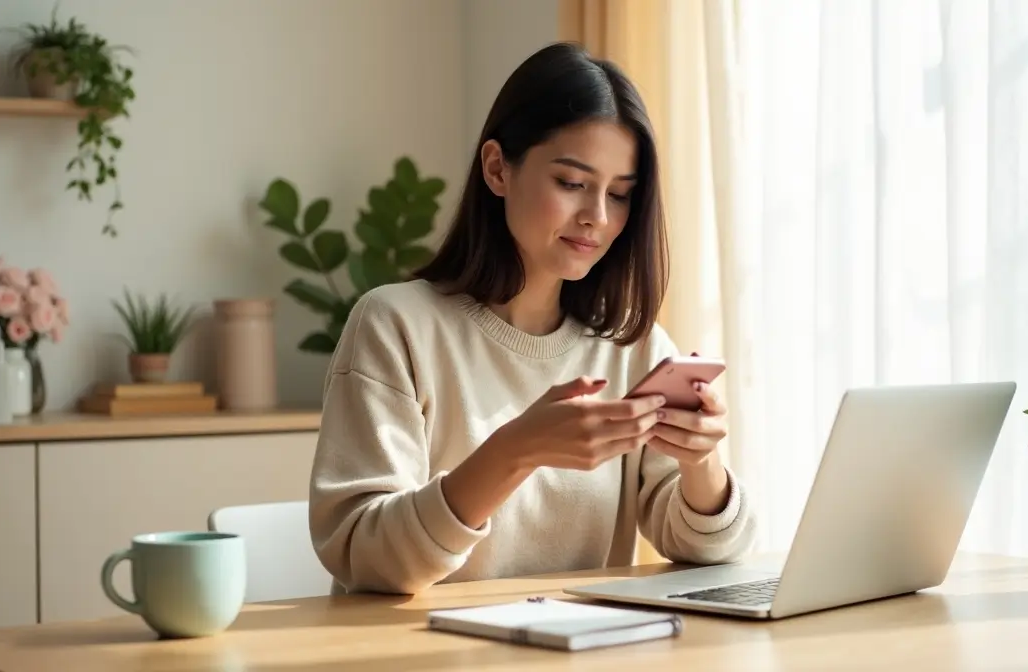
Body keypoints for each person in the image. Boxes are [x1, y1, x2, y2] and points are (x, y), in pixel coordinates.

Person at [308, 41, 758, 595]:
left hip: (583, 650)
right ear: (498, 169)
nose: (596, 216)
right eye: (571, 184)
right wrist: (513, 451)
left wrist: (701, 461)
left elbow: (708, 553)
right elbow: (365, 555)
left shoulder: (631, 349)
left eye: (619, 195)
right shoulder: (395, 325)